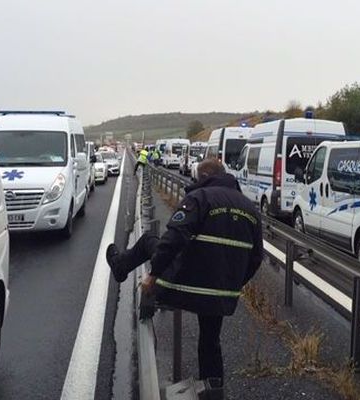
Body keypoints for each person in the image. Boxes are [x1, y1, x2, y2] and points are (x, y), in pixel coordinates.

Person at [106, 159, 263, 386]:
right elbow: (256, 258)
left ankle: (120, 267)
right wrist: (233, 284)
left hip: (184, 286)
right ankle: (213, 390)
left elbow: (173, 240)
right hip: (222, 293)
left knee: (150, 240)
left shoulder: (199, 198)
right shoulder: (251, 209)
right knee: (210, 340)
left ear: (205, 176)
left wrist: (153, 274)